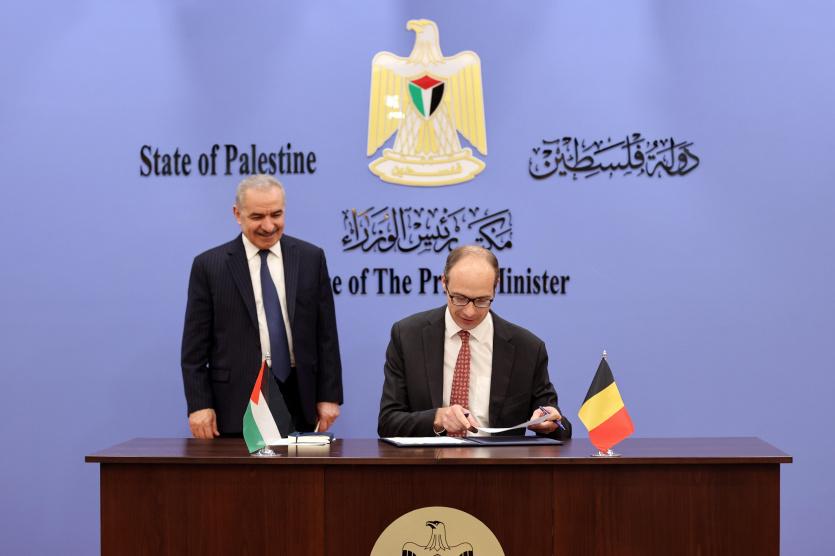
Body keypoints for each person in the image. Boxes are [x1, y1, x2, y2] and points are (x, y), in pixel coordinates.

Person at [181, 175, 342, 438]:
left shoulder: (311, 258)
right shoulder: (209, 266)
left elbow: (326, 335)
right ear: (237, 214)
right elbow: (194, 349)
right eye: (257, 217)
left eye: (276, 215)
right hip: (235, 401)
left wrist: (329, 396)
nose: (268, 226)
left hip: (299, 395)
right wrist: (199, 404)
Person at [378, 245, 571, 439]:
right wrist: (437, 418)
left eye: (482, 300)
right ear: (444, 282)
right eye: (459, 298)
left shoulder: (527, 349)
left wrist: (552, 422)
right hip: (429, 457)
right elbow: (387, 422)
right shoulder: (408, 336)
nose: (469, 312)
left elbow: (560, 426)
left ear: (495, 287)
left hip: (498, 459)